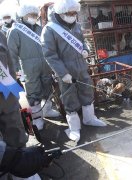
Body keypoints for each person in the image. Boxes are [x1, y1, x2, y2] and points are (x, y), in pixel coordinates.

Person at [41, 0, 107, 142]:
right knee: (69, 97)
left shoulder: (76, 26)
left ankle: (89, 118)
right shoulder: (50, 29)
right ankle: (74, 128)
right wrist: (63, 73)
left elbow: (83, 41)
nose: (72, 15)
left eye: (74, 13)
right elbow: (50, 54)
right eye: (69, 13)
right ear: (60, 13)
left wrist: (85, 49)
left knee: (87, 91)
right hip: (65, 70)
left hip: (81, 66)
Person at [0, 31, 52, 180]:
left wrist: (19, 155)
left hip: (11, 123)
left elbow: (7, 68)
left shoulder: (1, 35)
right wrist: (7, 157)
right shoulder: (16, 31)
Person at [7, 2, 61, 131]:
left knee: (47, 86)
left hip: (44, 63)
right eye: (31, 15)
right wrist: (16, 72)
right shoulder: (15, 30)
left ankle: (47, 110)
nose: (34, 17)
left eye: (35, 15)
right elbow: (11, 54)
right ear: (23, 15)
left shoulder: (39, 28)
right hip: (27, 65)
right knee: (33, 91)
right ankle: (37, 119)